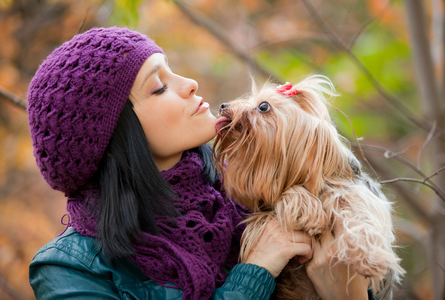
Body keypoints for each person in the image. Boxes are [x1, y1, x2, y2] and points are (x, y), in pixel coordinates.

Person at [27, 27, 373, 299]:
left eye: (172, 71)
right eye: (159, 87)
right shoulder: (69, 269)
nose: (190, 84)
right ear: (116, 138)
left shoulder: (253, 195)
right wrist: (256, 271)